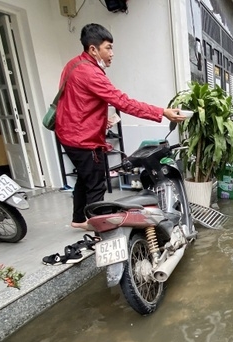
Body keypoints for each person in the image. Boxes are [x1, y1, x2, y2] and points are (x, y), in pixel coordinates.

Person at [55, 23, 186, 231]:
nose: (112, 53)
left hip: (68, 133)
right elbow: (123, 102)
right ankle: (101, 231)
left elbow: (77, 100)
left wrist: (97, 119)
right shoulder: (91, 73)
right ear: (93, 49)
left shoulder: (73, 65)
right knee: (96, 183)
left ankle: (79, 218)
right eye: (108, 47)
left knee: (84, 177)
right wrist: (162, 112)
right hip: (83, 139)